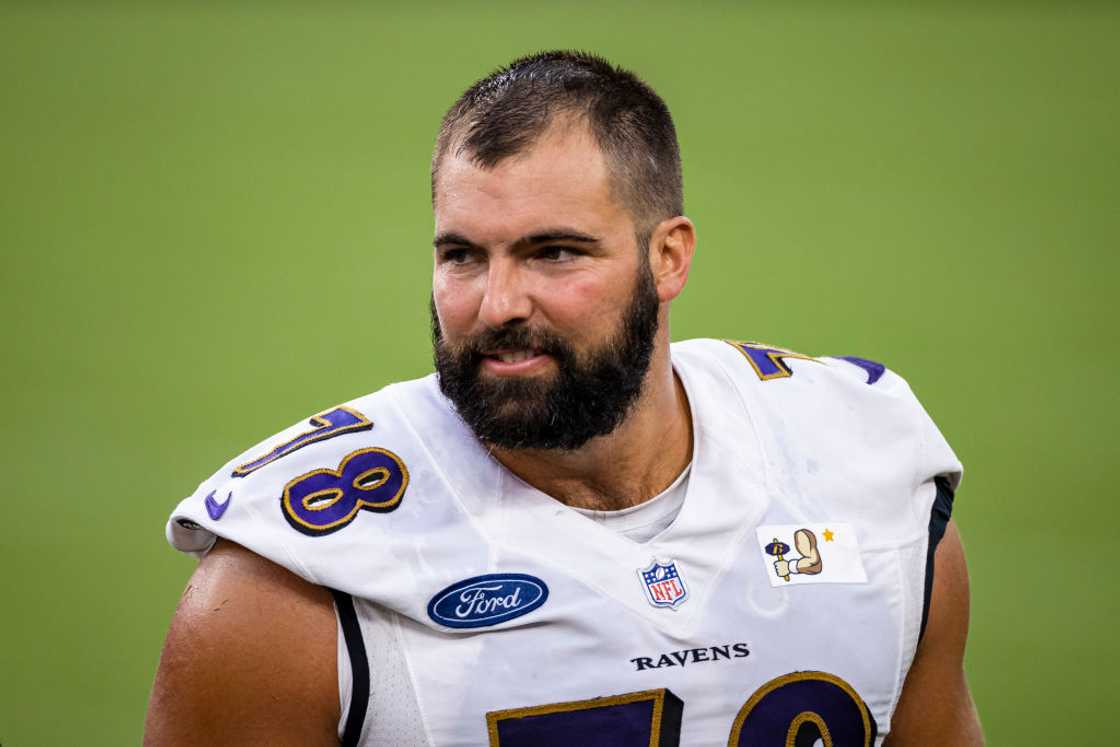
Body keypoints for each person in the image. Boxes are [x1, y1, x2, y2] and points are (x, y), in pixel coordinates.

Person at [145, 51, 983, 746]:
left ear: (669, 257)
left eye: (553, 253)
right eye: (464, 255)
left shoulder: (862, 475)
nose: (497, 303)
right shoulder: (288, 586)